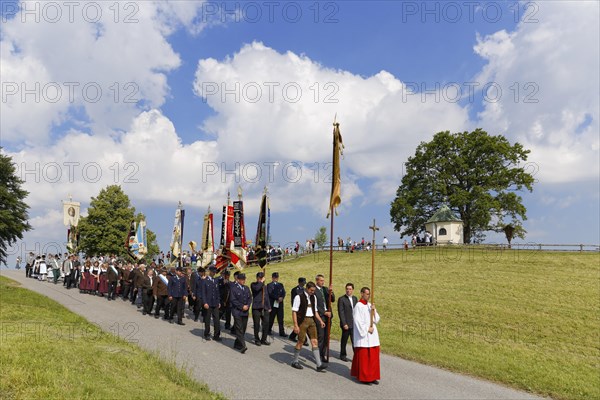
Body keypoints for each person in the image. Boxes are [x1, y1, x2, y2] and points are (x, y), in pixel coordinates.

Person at [290, 282, 327, 372]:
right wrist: (295, 325)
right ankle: (295, 361)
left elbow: (315, 311)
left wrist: (320, 321)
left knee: (314, 341)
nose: (312, 292)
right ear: (307, 288)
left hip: (312, 321)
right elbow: (294, 311)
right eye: (311, 290)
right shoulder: (298, 297)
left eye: (314, 291)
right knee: (301, 341)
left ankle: (319, 364)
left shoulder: (313, 297)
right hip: (302, 321)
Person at [351, 287, 381, 385]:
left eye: (369, 294)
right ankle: (364, 377)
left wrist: (373, 310)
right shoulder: (358, 306)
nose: (368, 296)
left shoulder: (369, 305)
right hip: (364, 335)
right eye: (366, 294)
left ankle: (372, 376)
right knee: (364, 358)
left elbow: (376, 319)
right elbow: (357, 321)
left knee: (373, 358)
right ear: (362, 294)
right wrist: (367, 329)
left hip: (372, 336)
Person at [314, 274, 335, 363]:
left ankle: (323, 353)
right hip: (320, 316)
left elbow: (332, 299)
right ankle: (319, 356)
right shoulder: (314, 291)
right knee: (321, 336)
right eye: (321, 280)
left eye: (323, 280)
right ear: (317, 281)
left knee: (327, 336)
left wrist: (331, 292)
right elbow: (315, 306)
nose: (323, 282)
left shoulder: (325, 289)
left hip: (328, 316)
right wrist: (324, 312)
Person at [230, 272, 252, 353]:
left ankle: (237, 343)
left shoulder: (246, 288)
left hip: (245, 312)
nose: (243, 281)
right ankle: (243, 346)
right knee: (239, 329)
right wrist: (241, 306)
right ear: (238, 280)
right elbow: (233, 300)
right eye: (242, 279)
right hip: (237, 312)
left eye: (244, 279)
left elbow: (250, 298)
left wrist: (247, 306)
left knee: (243, 329)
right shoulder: (234, 288)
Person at [338, 283, 358, 362]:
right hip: (346, 323)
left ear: (352, 290)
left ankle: (356, 357)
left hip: (354, 324)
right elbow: (341, 312)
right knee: (344, 340)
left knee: (354, 341)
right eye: (347, 289)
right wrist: (344, 323)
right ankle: (342, 354)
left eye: (350, 289)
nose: (348, 290)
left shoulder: (355, 298)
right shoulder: (342, 299)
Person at [201, 266, 221, 341]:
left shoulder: (215, 280)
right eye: (213, 271)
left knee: (217, 320)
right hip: (208, 303)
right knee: (207, 319)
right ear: (209, 271)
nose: (214, 273)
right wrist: (205, 302)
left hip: (215, 303)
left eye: (215, 272)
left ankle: (216, 335)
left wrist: (218, 302)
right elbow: (203, 293)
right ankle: (206, 334)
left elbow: (217, 292)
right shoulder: (205, 281)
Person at [251, 271, 271, 346]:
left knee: (266, 324)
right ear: (257, 278)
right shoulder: (254, 285)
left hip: (265, 307)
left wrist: (269, 307)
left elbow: (267, 297)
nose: (260, 279)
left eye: (261, 278)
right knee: (256, 324)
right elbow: (256, 289)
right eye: (259, 278)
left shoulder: (265, 286)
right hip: (256, 307)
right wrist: (261, 282)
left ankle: (264, 339)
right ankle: (257, 339)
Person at [267, 272, 286, 337]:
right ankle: (268, 330)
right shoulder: (269, 285)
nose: (276, 279)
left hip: (280, 304)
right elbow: (270, 293)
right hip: (273, 303)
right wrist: (277, 298)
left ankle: (282, 332)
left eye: (277, 277)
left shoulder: (280, 284)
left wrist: (282, 297)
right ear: (272, 278)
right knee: (271, 318)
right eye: (275, 277)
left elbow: (283, 292)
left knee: (281, 318)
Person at [288, 277, 306, 343]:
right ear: (299, 282)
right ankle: (304, 339)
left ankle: (292, 336)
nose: (304, 284)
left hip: (303, 309)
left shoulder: (305, 290)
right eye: (303, 282)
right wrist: (295, 309)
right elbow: (293, 300)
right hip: (297, 309)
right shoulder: (294, 290)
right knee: (300, 323)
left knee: (301, 323)